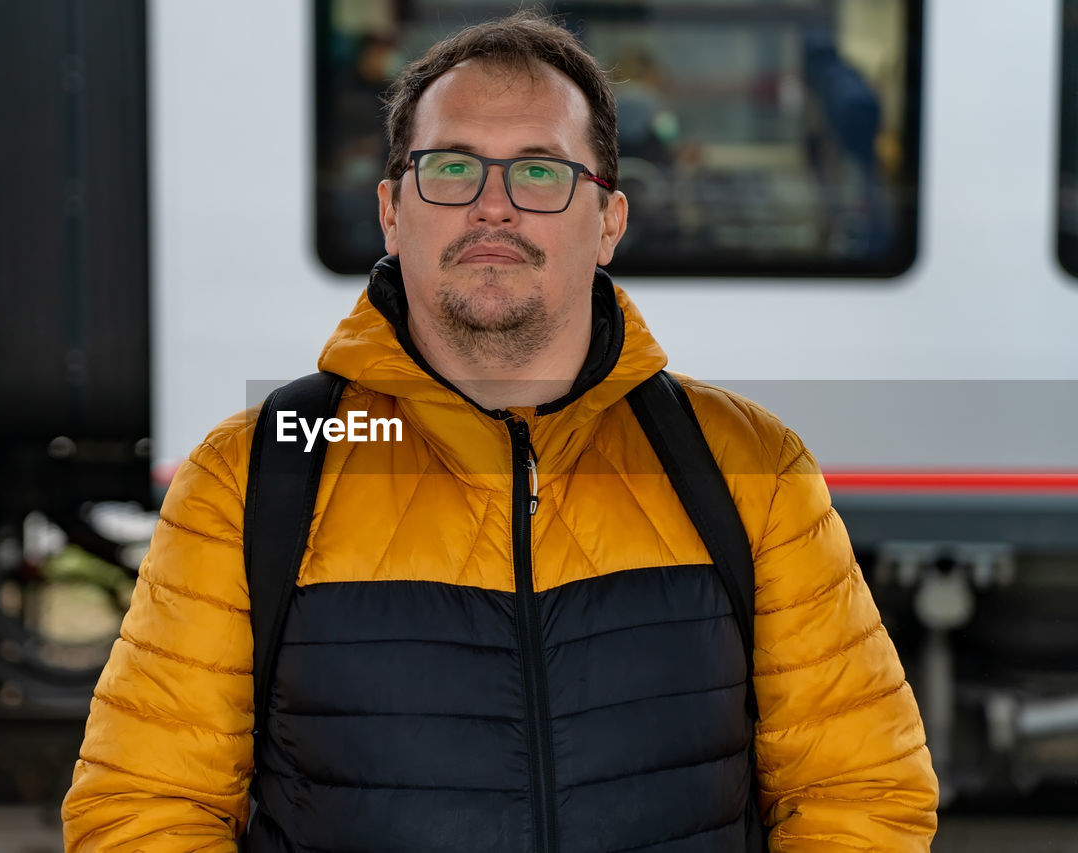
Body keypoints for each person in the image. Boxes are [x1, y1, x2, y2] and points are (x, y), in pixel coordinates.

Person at [61, 11, 938, 851]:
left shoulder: (750, 466)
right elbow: (143, 807)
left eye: (540, 172)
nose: (493, 207)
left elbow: (860, 791)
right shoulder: (253, 474)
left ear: (610, 223)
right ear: (391, 212)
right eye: (451, 169)